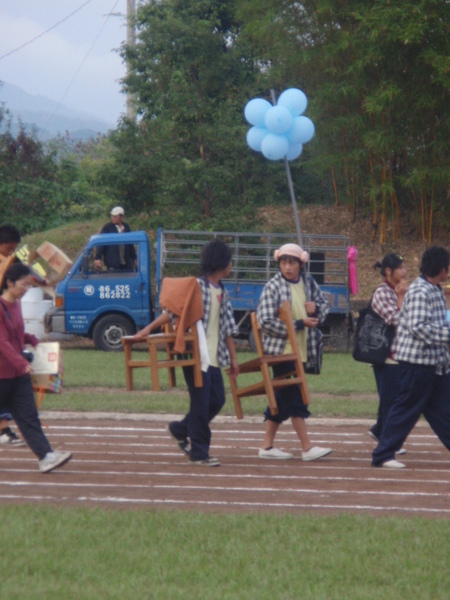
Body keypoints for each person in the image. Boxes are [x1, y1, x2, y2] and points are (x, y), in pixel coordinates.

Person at [134, 238, 239, 467]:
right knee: (201, 403)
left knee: (217, 400)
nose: (231, 265)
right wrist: (148, 329)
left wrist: (233, 357)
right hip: (194, 356)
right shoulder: (197, 286)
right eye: (230, 261)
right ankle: (199, 453)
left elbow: (228, 327)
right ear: (221, 262)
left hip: (214, 357)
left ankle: (180, 429)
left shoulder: (222, 291)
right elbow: (172, 313)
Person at [372, 246, 450, 469]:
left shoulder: (434, 289)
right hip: (417, 364)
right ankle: (383, 455)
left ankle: (384, 452)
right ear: (441, 268)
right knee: (406, 409)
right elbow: (418, 327)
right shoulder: (419, 292)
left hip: (434, 364)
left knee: (444, 411)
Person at [256, 243, 332, 461]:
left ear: (301, 264)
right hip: (280, 351)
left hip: (300, 350)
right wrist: (299, 323)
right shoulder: (273, 286)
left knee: (281, 397)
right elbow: (266, 321)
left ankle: (267, 446)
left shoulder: (308, 283)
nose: (287, 267)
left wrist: (316, 310)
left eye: (292, 262)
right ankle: (307, 447)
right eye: (283, 262)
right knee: (294, 394)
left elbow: (325, 306)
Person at [0, 262, 72, 473]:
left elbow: (16, 334)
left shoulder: (16, 305)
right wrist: (21, 363)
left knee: (28, 416)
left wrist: (32, 339)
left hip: (17, 375)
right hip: (3, 374)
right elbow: (2, 341)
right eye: (23, 284)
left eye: (29, 285)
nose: (26, 289)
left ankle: (46, 456)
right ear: (10, 283)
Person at [369, 253, 408, 454]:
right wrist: (401, 296)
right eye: (400, 268)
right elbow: (397, 320)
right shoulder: (383, 292)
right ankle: (387, 440)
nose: (404, 271)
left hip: (399, 354)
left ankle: (380, 431)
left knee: (392, 398)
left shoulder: (398, 290)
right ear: (388, 271)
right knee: (392, 399)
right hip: (385, 355)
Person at [0, 224, 25, 446]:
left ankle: (4, 428)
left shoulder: (8, 263)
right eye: (10, 249)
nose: (11, 252)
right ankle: (3, 429)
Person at [94, 206, 137, 271]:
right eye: (112, 216)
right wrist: (98, 258)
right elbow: (101, 243)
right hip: (113, 263)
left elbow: (130, 245)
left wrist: (134, 258)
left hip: (126, 263)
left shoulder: (126, 227)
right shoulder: (107, 227)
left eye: (115, 216)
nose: (113, 218)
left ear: (121, 217)